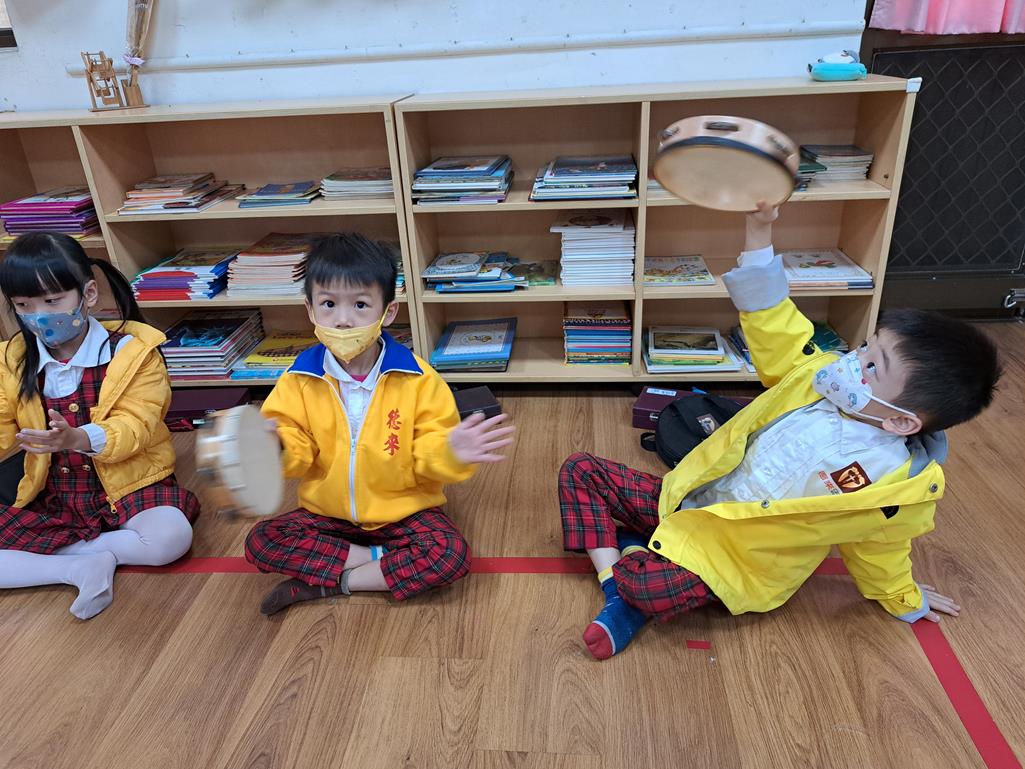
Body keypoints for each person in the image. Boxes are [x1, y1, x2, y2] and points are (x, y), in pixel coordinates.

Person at [559, 202, 1002, 659]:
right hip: (687, 499)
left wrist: (904, 597)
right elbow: (772, 316)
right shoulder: (815, 376)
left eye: (872, 366)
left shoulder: (893, 483)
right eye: (865, 346)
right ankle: (619, 588)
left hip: (732, 561)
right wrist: (758, 229)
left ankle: (628, 580)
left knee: (647, 586)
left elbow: (881, 548)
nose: (852, 361)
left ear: (901, 421)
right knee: (580, 470)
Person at [245, 233, 514, 614]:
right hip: (328, 515)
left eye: (360, 304)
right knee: (262, 540)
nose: (343, 319)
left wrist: (451, 451)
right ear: (310, 309)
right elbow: (297, 451)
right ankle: (381, 564)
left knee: (449, 555)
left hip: (403, 513)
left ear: (387, 312)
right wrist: (277, 447)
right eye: (328, 304)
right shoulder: (298, 379)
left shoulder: (419, 380)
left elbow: (428, 452)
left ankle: (334, 582)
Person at [0, 232, 200, 619]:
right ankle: (78, 566)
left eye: (52, 301)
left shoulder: (133, 352)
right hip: (54, 491)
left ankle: (63, 555)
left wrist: (79, 437)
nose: (39, 315)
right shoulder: (13, 359)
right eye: (23, 305)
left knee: (171, 538)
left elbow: (137, 424)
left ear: (88, 294)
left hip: (130, 482)